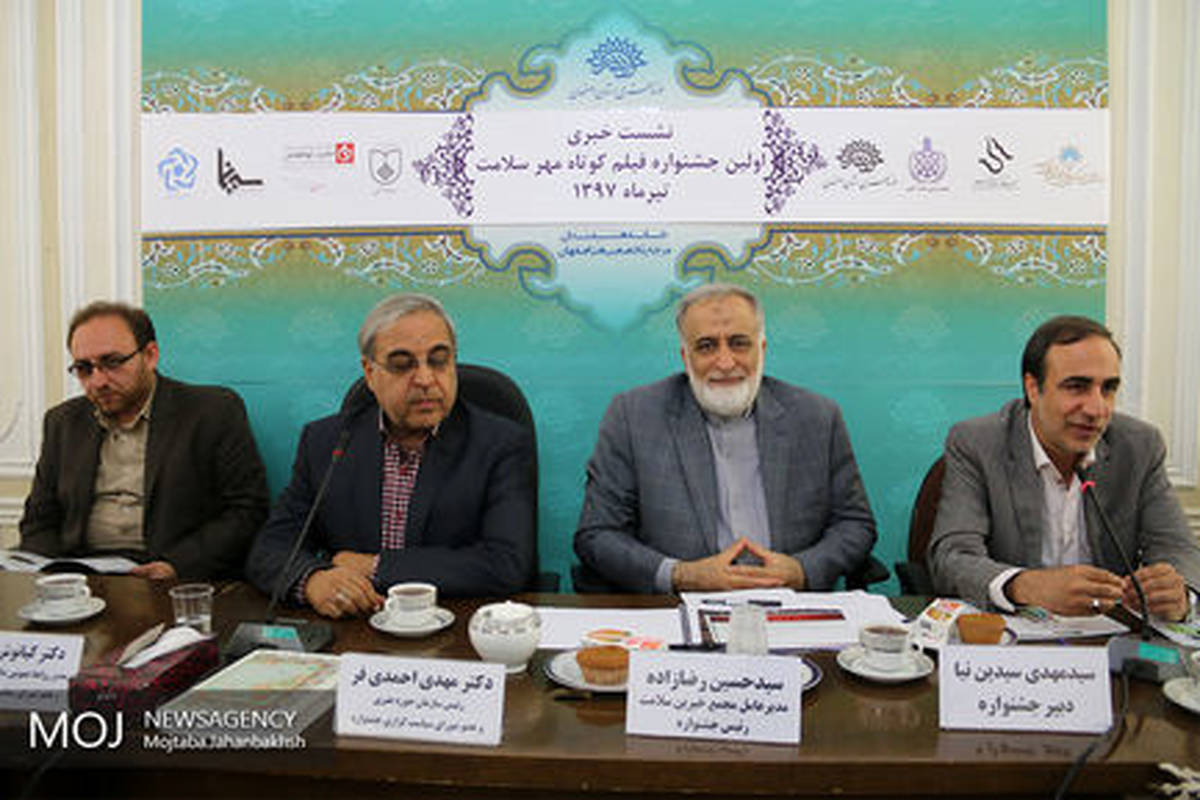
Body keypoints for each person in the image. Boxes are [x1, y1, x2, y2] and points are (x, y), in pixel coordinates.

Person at [574, 283, 878, 593]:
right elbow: (598, 534)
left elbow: (855, 524)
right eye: (706, 346)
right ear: (685, 356)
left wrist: (803, 569)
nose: (725, 362)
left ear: (762, 349)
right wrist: (681, 575)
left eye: (739, 343)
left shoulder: (817, 417)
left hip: (790, 604)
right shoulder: (633, 416)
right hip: (679, 605)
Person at [245, 293, 535, 617]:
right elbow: (270, 549)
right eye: (402, 365)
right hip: (355, 625)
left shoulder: (500, 444)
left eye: (439, 360)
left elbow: (506, 563)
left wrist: (376, 567)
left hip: (457, 625)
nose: (425, 379)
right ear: (370, 373)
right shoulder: (326, 442)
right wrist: (312, 580)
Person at [928, 315, 1200, 621]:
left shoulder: (1139, 447)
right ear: (1033, 388)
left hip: (1107, 634)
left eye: (1108, 388)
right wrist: (1025, 585)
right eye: (1077, 387)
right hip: (1011, 633)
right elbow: (953, 557)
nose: (1097, 409)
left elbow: (1178, 549)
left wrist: (1179, 593)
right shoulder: (978, 443)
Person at [19, 301, 269, 579]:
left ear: (150, 356)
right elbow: (39, 521)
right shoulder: (63, 422)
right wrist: (54, 574)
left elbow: (247, 511)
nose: (98, 381)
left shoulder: (212, 411)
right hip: (82, 574)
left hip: (172, 574)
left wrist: (176, 565)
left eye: (112, 362)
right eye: (84, 368)